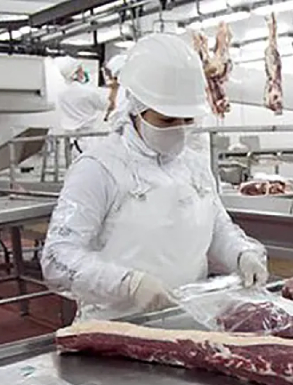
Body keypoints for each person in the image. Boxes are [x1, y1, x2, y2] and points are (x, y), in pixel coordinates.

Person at [42, 34, 268, 322]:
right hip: (117, 327)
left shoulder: (195, 165)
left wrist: (241, 254)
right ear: (136, 108)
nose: (180, 129)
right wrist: (128, 284)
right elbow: (58, 258)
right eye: (167, 120)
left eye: (188, 120)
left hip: (190, 319)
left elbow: (218, 228)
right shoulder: (98, 168)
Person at [54, 56, 114, 154]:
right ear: (74, 73)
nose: (83, 72)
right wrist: (114, 89)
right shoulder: (87, 92)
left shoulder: (61, 94)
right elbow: (108, 105)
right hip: (88, 140)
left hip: (70, 140)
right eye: (80, 70)